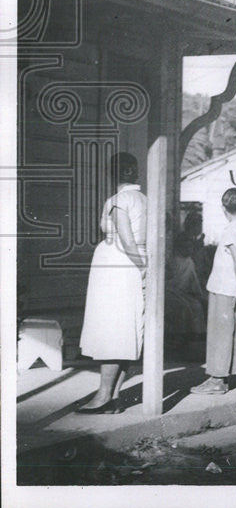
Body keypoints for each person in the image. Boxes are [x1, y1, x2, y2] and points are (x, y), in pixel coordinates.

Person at [77, 152, 146, 414]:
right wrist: (145, 268)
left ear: (121, 172)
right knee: (126, 330)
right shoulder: (144, 200)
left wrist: (141, 267)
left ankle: (104, 395)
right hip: (131, 265)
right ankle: (114, 397)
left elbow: (127, 241)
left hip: (118, 267)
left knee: (111, 330)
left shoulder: (118, 201)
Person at [190, 188, 236, 395]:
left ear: (224, 208)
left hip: (225, 287)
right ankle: (223, 376)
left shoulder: (231, 230)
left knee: (219, 333)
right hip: (233, 289)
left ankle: (216, 379)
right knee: (229, 332)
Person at [165, 230, 207, 356]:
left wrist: (199, 295)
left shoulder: (189, 261)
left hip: (181, 292)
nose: (189, 249)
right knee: (188, 307)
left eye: (191, 247)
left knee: (196, 305)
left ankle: (196, 337)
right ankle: (184, 339)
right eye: (186, 246)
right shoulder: (173, 260)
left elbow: (193, 282)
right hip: (170, 291)